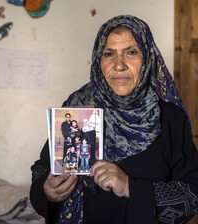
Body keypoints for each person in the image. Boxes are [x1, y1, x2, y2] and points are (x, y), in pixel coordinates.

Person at [30, 15, 198, 224]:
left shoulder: (170, 119)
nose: (119, 65)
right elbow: (42, 168)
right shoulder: (77, 108)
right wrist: (47, 191)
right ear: (98, 60)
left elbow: (193, 193)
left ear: (148, 58)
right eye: (109, 53)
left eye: (131, 52)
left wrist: (131, 187)